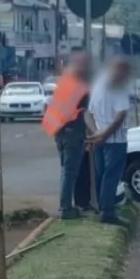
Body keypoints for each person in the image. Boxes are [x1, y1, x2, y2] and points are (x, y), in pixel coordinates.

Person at [41, 51, 93, 220]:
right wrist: (95, 133)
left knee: (66, 171)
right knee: (70, 172)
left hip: (60, 131)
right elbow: (86, 113)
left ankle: (68, 205)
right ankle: (66, 208)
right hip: (72, 132)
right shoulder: (82, 87)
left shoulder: (66, 82)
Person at [87, 56, 133, 225]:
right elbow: (120, 115)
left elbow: (88, 113)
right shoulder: (118, 87)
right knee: (111, 176)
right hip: (114, 139)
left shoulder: (99, 84)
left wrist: (96, 134)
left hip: (100, 138)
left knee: (101, 174)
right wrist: (104, 134)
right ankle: (108, 212)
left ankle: (102, 207)